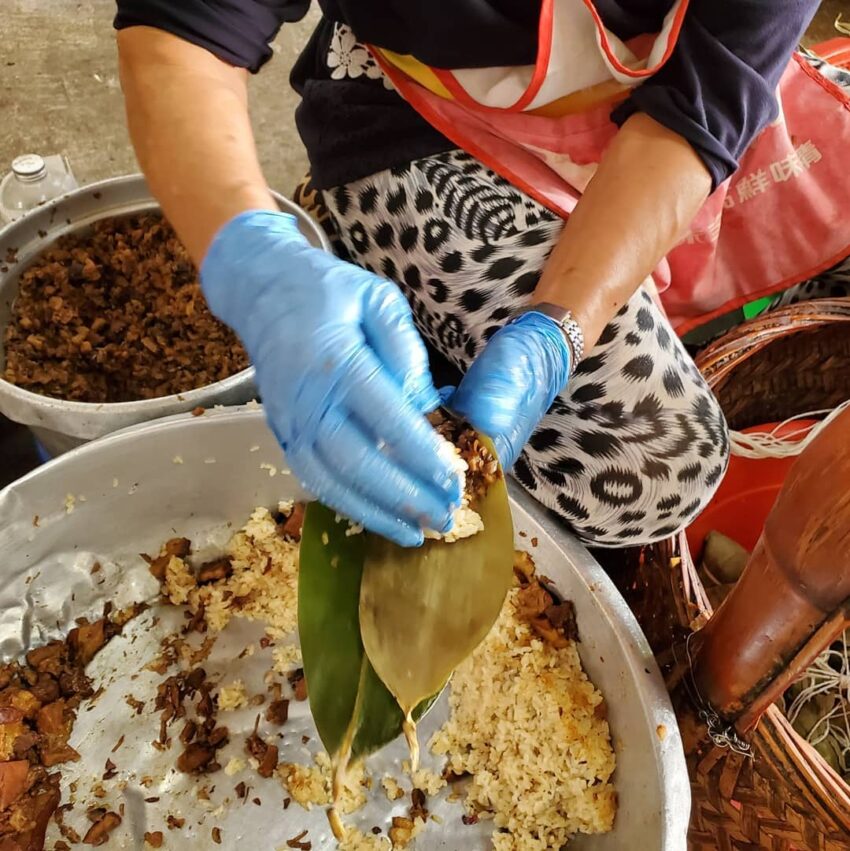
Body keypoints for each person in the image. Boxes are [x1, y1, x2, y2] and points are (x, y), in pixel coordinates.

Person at [113, 1, 850, 548]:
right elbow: (184, 29)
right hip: (417, 112)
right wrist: (255, 260)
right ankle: (361, 239)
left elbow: (702, 109)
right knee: (654, 465)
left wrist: (560, 326)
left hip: (651, 102)